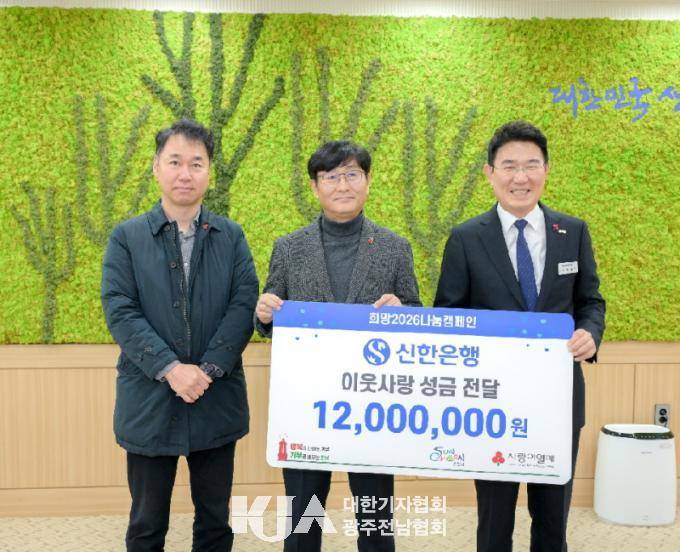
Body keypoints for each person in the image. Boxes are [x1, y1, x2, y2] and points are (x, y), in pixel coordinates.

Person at [434, 121, 605, 552]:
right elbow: (449, 316)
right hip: (491, 402)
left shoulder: (573, 232)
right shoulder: (466, 238)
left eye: (531, 165)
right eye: (509, 166)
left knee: (552, 515)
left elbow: (590, 301)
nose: (520, 177)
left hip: (558, 398)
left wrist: (589, 332)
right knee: (495, 517)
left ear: (546, 169)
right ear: (490, 173)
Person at [256, 140, 421, 551]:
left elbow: (416, 316)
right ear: (315, 186)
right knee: (304, 521)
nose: (342, 185)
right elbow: (271, 314)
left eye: (352, 174)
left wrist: (403, 312)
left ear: (367, 181)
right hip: (307, 409)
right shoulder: (289, 248)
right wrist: (264, 312)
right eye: (331, 176)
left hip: (372, 409)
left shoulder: (395, 247)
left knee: (375, 522)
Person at [101, 119, 258, 552]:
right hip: (149, 399)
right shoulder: (127, 237)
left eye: (196, 163)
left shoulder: (231, 236)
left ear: (209, 171)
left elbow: (243, 304)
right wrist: (171, 369)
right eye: (175, 162)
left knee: (215, 521)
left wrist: (206, 370)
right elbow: (120, 308)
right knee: (147, 522)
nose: (185, 173)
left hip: (216, 395)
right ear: (156, 167)